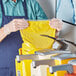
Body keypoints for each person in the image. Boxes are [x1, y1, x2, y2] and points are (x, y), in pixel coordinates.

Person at [0, 0, 63, 76]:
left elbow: (44, 36)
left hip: (30, 67)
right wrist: (7, 29)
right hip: (4, 68)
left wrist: (55, 30)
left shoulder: (32, 4)